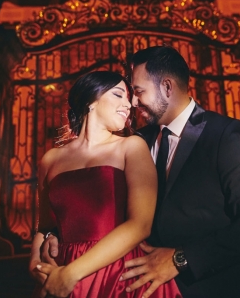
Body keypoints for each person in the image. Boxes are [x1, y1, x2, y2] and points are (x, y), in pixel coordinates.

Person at [41, 47, 240, 297]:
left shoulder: (223, 135)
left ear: (167, 87)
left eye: (139, 91)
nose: (132, 103)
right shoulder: (137, 140)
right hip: (131, 286)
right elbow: (93, 203)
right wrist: (52, 234)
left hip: (204, 287)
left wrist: (180, 260)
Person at [29, 71, 182, 298]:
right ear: (91, 100)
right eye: (118, 95)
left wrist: (72, 274)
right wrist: (35, 265)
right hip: (61, 273)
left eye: (129, 98)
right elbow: (45, 227)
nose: (128, 105)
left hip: (119, 275)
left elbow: (140, 225)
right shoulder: (51, 159)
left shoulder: (131, 147)